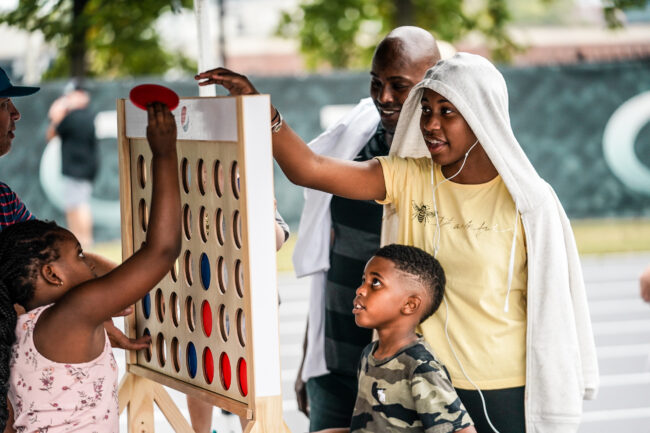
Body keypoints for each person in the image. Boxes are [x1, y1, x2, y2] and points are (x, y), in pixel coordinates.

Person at [196, 52, 598, 433]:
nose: (430, 124)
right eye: (425, 110)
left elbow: (553, 308)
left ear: (481, 116)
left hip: (500, 391)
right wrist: (264, 114)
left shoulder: (529, 202)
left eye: (447, 112)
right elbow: (310, 169)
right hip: (411, 383)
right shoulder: (408, 177)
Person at [196, 26, 440, 431]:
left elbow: (307, 168)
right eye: (376, 83)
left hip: (405, 372)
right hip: (336, 364)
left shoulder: (441, 164)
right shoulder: (357, 137)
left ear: (433, 81)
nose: (384, 97)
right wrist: (312, 358)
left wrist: (264, 114)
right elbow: (329, 256)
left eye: (399, 85)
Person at [0, 102, 180, 432]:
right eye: (80, 256)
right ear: (52, 274)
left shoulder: (22, 329)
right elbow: (161, 251)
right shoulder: (74, 313)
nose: (90, 265)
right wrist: (165, 155)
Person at [0, 66, 149, 352]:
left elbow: (52, 254)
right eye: (5, 104)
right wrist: (87, 308)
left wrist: (121, 291)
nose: (17, 114)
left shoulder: (4, 196)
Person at [318, 244, 475, 433]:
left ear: (409, 304)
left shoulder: (420, 366)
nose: (360, 290)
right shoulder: (369, 354)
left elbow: (463, 431)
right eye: (363, 280)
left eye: (375, 283)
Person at [46, 85, 97, 249]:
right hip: (83, 167)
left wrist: (56, 115)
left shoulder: (74, 117)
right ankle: (81, 239)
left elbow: (52, 133)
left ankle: (85, 240)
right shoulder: (86, 116)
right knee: (75, 204)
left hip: (77, 168)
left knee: (78, 205)